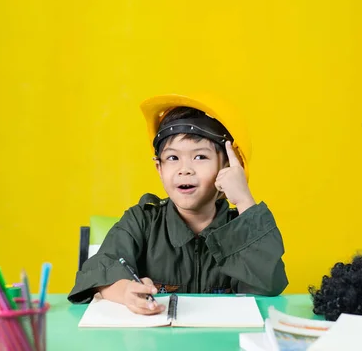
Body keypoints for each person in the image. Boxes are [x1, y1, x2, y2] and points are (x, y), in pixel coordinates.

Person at [68, 94, 288, 315]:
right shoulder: (142, 220)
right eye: (173, 158)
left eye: (200, 157)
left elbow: (268, 285)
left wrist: (244, 200)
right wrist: (124, 290)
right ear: (159, 168)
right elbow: (98, 270)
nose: (185, 169)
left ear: (227, 167)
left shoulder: (241, 229)